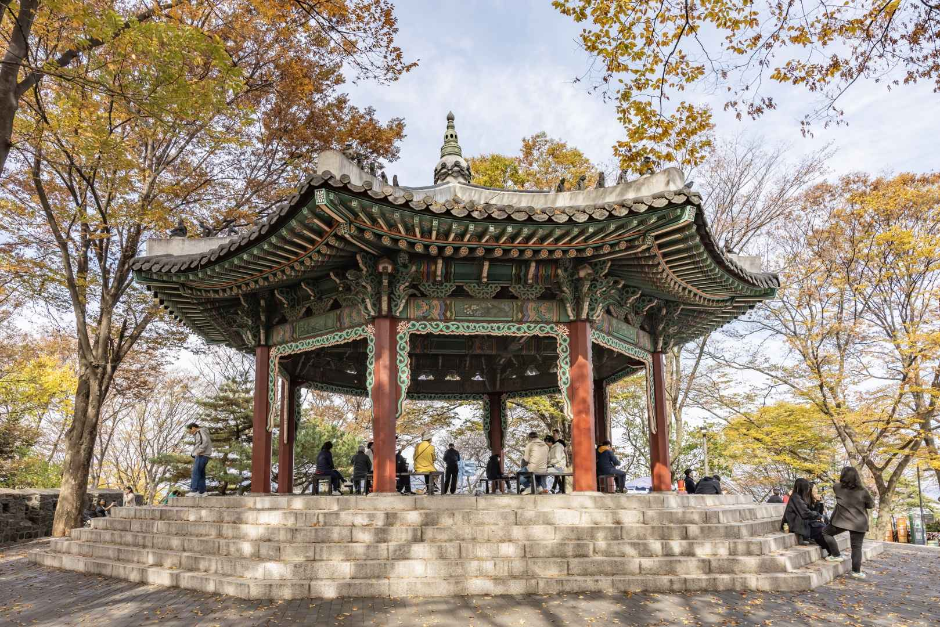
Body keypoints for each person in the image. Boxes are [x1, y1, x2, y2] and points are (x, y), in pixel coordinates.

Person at [822, 466, 875, 579]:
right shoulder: (862, 491)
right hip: (859, 523)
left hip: (842, 521)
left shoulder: (837, 487)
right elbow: (871, 505)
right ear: (856, 477)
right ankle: (856, 572)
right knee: (856, 547)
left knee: (826, 532)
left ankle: (836, 554)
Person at [781, 478, 827, 552]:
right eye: (807, 487)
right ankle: (804, 537)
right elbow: (805, 513)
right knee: (820, 527)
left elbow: (812, 511)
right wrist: (818, 516)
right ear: (803, 487)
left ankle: (828, 548)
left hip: (800, 521)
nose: (809, 489)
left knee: (822, 525)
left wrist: (818, 502)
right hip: (792, 523)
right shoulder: (795, 497)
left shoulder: (802, 497)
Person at [187, 422, 213, 496]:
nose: (190, 432)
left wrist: (199, 451)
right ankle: (202, 491)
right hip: (205, 455)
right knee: (201, 473)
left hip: (201, 454)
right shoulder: (203, 432)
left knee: (195, 472)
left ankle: (194, 490)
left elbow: (205, 441)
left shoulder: (200, 431)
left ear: (193, 427)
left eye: (190, 430)